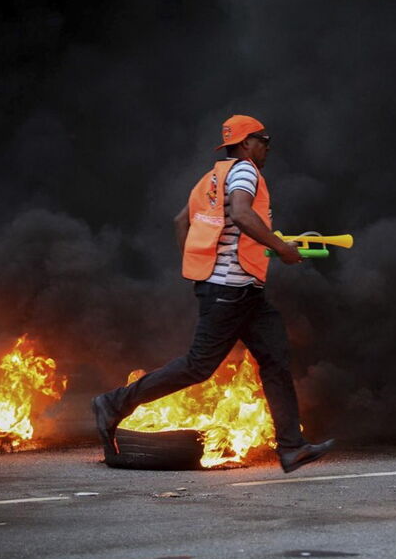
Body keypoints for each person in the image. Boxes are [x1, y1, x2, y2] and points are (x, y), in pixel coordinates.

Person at [91, 114, 334, 473]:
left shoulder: (213, 177)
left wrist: (202, 269)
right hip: (230, 292)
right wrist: (281, 249)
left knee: (276, 360)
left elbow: (181, 221)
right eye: (264, 140)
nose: (267, 147)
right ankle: (113, 403)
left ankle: (291, 447)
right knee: (198, 366)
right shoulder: (246, 171)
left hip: (244, 290)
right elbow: (240, 214)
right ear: (247, 143)